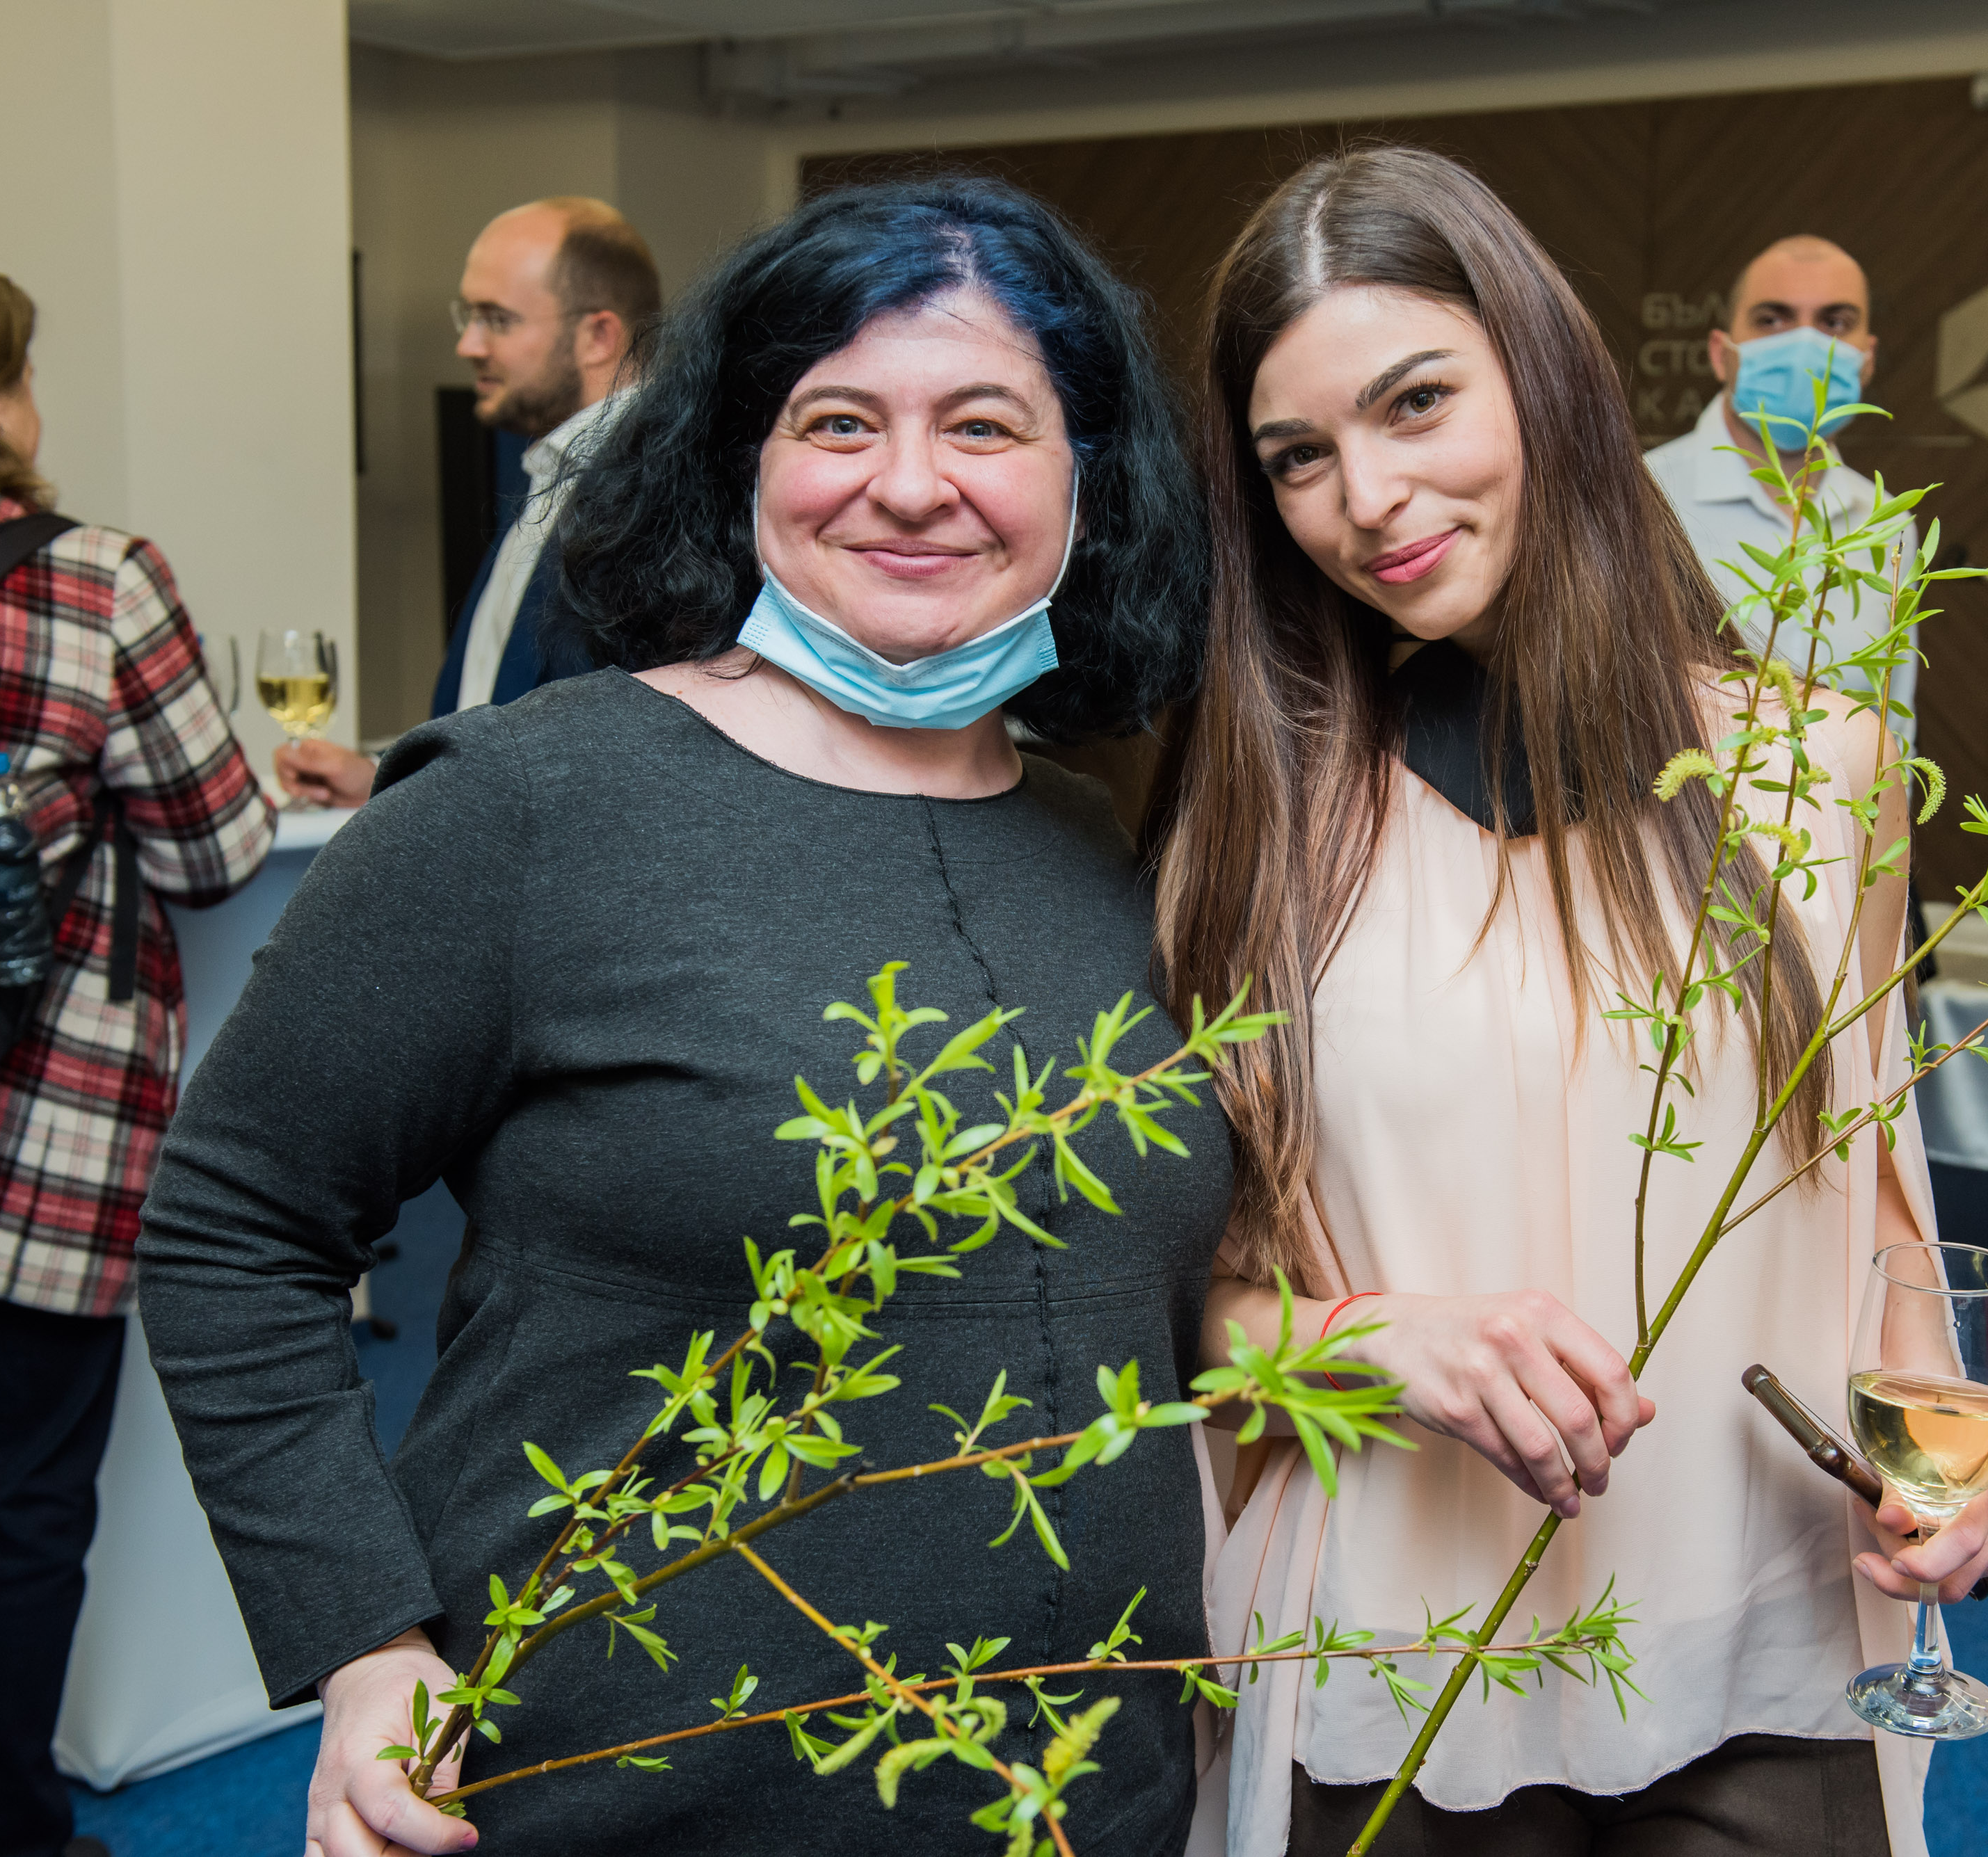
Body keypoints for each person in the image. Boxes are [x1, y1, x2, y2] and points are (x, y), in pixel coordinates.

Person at [135, 177, 1220, 1857]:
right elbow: (232, 1221)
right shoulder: (526, 806)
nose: (910, 482)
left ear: (1087, 477)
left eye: (984, 424)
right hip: (617, 1793)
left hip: (1078, 1798)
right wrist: (362, 1639)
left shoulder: (1096, 845)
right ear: (736, 461)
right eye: (837, 420)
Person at [1153, 150, 1988, 1857]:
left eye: (1416, 402)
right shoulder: (1261, 828)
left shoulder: (1821, 770)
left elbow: (1868, 1191)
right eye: (1298, 457)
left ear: (1544, 373)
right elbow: (1199, 1311)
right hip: (1395, 1660)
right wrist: (1374, 1340)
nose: (1367, 497)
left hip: (1755, 1633)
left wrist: (1944, 1473)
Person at [0, 251, 272, 1857]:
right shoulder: (93, 579)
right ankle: (0, 1837)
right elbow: (217, 849)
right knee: (9, 1519)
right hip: (34, 1139)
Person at [273, 197, 658, 808]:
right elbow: (497, 719)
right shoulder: (548, 471)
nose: (468, 345)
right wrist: (380, 779)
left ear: (598, 336)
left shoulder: (656, 500)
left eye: (497, 319)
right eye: (469, 316)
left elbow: (613, 768)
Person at [1641, 236, 1920, 736]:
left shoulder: (1888, 522)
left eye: (1835, 323)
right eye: (1772, 320)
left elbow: (1891, 734)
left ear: (1867, 359)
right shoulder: (1640, 495)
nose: (1804, 346)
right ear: (1721, 354)